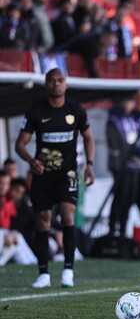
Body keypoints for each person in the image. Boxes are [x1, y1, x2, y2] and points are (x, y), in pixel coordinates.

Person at [15, 68, 95, 288]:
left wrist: (89, 165)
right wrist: (32, 161)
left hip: (68, 173)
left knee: (68, 215)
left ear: (66, 85)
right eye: (52, 80)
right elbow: (20, 144)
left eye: (60, 80)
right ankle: (43, 274)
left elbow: (89, 138)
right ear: (46, 85)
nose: (56, 84)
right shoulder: (36, 111)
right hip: (42, 174)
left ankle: (68, 270)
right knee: (43, 220)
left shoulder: (76, 110)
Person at [106, 96, 140, 239]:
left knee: (129, 199)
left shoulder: (135, 119)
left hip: (135, 166)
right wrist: (119, 163)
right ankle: (112, 229)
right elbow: (114, 144)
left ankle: (122, 230)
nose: (127, 105)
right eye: (125, 101)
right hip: (121, 166)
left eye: (130, 101)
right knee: (119, 198)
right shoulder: (114, 119)